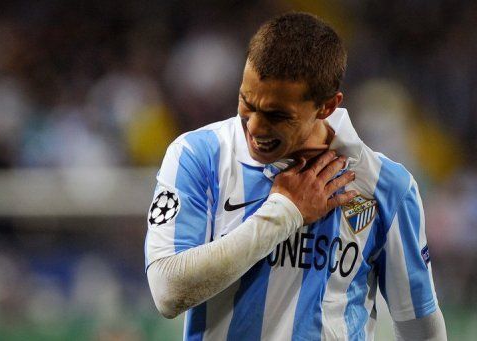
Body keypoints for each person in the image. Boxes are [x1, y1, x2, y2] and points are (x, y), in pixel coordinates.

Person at [145, 12, 447, 340]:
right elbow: (167, 292)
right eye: (246, 102)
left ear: (327, 107)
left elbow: (421, 330)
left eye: (277, 115)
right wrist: (285, 212)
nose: (255, 127)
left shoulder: (386, 185)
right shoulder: (197, 155)